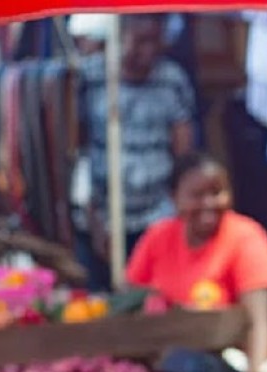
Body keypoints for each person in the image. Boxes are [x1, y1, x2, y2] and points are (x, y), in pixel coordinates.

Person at [126, 152, 267, 372]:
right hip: (166, 367)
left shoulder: (246, 237)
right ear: (174, 198)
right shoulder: (157, 237)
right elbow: (129, 305)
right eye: (196, 195)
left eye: (217, 192)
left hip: (229, 370)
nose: (208, 203)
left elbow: (259, 322)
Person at [73, 13, 196, 291]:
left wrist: (175, 220)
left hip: (156, 217)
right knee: (101, 303)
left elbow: (183, 155)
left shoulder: (172, 80)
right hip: (102, 216)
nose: (143, 50)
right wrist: (95, 221)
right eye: (136, 40)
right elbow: (76, 156)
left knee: (152, 301)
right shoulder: (89, 78)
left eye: (152, 41)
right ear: (118, 36)